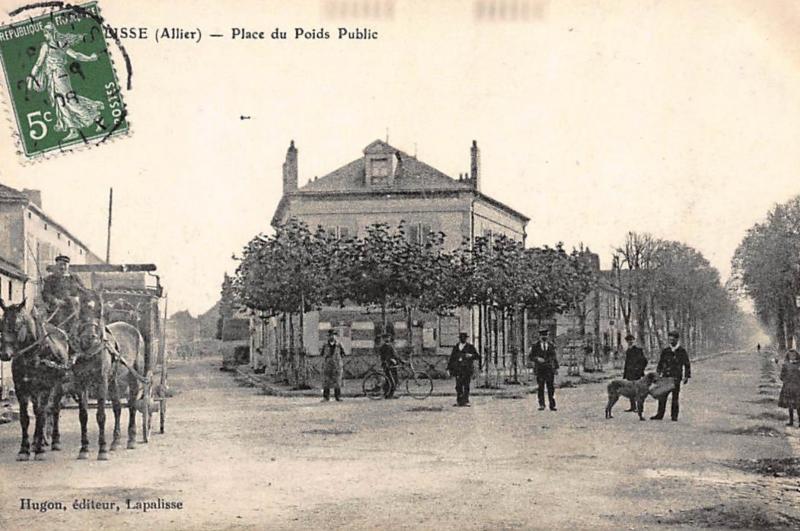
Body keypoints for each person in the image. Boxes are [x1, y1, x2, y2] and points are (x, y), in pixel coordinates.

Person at [28, 22, 104, 142]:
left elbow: (39, 63)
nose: (45, 35)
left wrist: (31, 78)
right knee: (61, 103)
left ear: (50, 33)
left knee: (69, 102)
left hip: (57, 77)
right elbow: (77, 55)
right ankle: (73, 129)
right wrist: (90, 58)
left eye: (46, 33)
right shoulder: (62, 44)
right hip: (60, 76)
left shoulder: (46, 46)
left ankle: (97, 118)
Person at [41, 255, 87, 335]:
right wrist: (55, 300)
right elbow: (46, 293)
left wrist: (77, 298)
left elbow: (84, 291)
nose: (62, 267)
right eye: (60, 264)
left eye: (64, 265)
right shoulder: (50, 279)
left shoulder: (75, 278)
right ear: (56, 266)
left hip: (74, 309)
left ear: (68, 266)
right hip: (57, 309)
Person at [651, 330, 691, 421]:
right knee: (662, 396)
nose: (671, 341)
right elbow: (660, 363)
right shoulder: (665, 351)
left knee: (675, 397)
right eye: (670, 339)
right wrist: (658, 373)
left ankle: (674, 416)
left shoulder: (682, 351)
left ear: (677, 339)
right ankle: (660, 414)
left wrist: (686, 376)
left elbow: (687, 364)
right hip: (665, 377)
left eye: (673, 339)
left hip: (676, 377)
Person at [447, 332, 481, 407]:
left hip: (467, 369)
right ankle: (459, 401)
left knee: (466, 385)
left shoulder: (470, 347)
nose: (463, 339)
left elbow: (477, 356)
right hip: (458, 369)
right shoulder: (456, 347)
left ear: (466, 338)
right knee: (458, 385)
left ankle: (465, 400)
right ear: (459, 339)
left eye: (464, 338)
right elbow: (452, 358)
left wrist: (471, 355)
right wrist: (449, 368)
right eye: (461, 338)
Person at [529, 328, 559, 411]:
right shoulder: (535, 346)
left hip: (549, 369)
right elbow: (531, 356)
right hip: (540, 369)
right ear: (539, 336)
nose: (544, 337)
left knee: (551, 388)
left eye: (545, 335)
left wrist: (556, 368)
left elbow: (554, 357)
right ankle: (542, 404)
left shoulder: (551, 345)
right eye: (542, 336)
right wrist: (537, 358)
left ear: (548, 336)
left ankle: (552, 405)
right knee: (541, 387)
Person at [622, 333, 648, 412]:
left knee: (637, 391)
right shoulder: (628, 351)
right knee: (630, 390)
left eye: (631, 340)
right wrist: (625, 373)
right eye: (628, 341)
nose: (630, 342)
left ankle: (638, 407)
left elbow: (644, 361)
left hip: (636, 374)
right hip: (629, 373)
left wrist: (639, 370)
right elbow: (627, 363)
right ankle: (632, 406)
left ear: (633, 340)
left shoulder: (638, 350)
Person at [320, 329, 346, 401]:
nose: (332, 337)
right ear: (328, 337)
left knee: (337, 381)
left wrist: (339, 361)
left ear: (336, 336)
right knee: (326, 381)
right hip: (327, 365)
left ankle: (337, 397)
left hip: (337, 365)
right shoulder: (325, 345)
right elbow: (322, 354)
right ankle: (326, 397)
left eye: (334, 335)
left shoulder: (339, 345)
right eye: (330, 335)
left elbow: (343, 354)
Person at [778, 349, 800, 427]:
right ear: (788, 356)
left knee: (798, 405)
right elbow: (781, 376)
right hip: (788, 387)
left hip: (798, 388)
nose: (792, 357)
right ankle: (791, 421)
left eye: (794, 355)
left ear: (797, 356)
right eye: (790, 356)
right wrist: (786, 381)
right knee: (790, 405)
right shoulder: (785, 365)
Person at [378, 333, 403, 398]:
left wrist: (399, 360)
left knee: (391, 380)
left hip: (391, 365)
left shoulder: (388, 346)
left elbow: (395, 355)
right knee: (392, 381)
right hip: (388, 365)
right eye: (386, 338)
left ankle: (387, 393)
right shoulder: (386, 346)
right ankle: (390, 395)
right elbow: (388, 356)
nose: (387, 339)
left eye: (388, 337)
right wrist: (400, 361)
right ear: (384, 339)